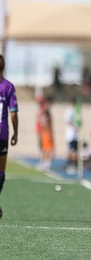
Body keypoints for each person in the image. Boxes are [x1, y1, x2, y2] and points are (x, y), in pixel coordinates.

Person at [0, 54, 19, 219]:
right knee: (1, 173)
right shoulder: (8, 87)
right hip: (2, 134)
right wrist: (16, 133)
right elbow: (13, 114)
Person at [35, 95, 55, 171]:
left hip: (44, 132)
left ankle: (45, 163)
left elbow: (44, 121)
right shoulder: (44, 110)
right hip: (44, 132)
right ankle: (45, 163)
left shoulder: (44, 110)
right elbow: (44, 122)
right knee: (45, 148)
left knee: (46, 148)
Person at [65, 97, 82, 174]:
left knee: (75, 151)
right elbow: (68, 121)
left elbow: (80, 122)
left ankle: (74, 166)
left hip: (76, 135)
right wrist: (75, 126)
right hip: (71, 134)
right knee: (71, 151)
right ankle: (69, 165)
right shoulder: (69, 111)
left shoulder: (78, 111)